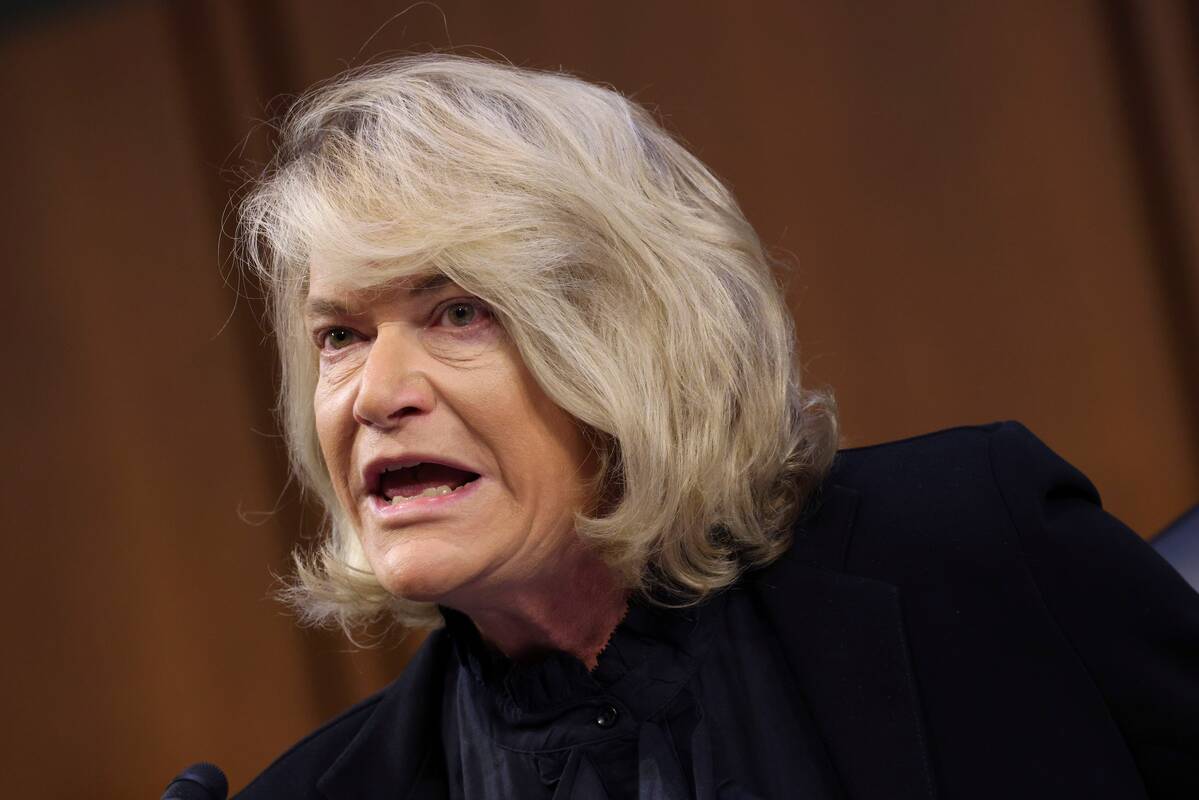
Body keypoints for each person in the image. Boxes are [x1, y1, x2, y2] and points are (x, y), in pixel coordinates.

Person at [232, 55, 1199, 799]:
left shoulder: (977, 550)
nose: (374, 394)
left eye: (458, 313)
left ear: (633, 333)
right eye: (340, 336)